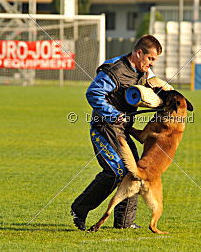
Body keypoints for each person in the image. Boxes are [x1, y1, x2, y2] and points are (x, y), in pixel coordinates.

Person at [70, 34, 173, 231]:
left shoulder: (143, 71)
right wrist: (114, 114)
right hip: (104, 128)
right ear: (138, 52)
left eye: (154, 61)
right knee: (115, 172)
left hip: (122, 130)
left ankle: (124, 222)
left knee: (136, 171)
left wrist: (167, 92)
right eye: (150, 59)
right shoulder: (114, 70)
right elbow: (93, 93)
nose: (151, 65)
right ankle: (79, 209)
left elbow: (153, 83)